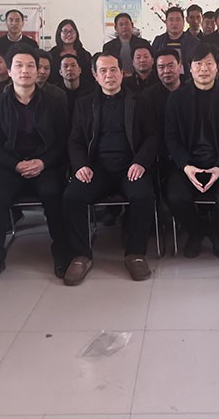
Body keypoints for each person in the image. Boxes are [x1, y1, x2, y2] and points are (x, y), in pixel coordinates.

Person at [0, 43, 70, 287]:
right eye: (19, 65)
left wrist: (43, 162)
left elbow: (63, 140)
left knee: (54, 193)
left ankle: (61, 252)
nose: (25, 70)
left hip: (45, 165)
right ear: (9, 71)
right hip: (11, 166)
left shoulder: (53, 102)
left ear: (38, 70)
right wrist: (16, 164)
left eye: (31, 66)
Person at [64, 52, 158, 285]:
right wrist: (81, 165)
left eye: (113, 69)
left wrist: (140, 162)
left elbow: (152, 137)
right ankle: (81, 255)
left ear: (122, 72)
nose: (109, 75)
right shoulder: (84, 103)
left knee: (143, 195)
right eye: (103, 71)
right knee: (72, 196)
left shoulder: (140, 101)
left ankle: (135, 253)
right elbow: (75, 140)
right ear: (95, 75)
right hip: (96, 168)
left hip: (130, 167)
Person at [164, 43, 219, 259]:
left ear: (218, 67)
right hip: (187, 164)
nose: (204, 69)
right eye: (198, 63)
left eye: (209, 63)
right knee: (175, 197)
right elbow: (171, 138)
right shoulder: (177, 98)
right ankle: (197, 231)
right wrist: (186, 166)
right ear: (189, 68)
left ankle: (217, 232)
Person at [143, 48, 184, 183]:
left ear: (180, 66)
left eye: (171, 66)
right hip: (160, 152)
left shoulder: (191, 91)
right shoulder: (148, 96)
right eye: (161, 67)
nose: (166, 71)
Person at [152, 6, 200, 75]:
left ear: (183, 22)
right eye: (171, 20)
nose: (174, 23)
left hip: (187, 79)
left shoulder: (194, 42)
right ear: (166, 22)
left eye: (178, 19)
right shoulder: (158, 41)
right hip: (163, 78)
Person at [47, 19, 92, 86]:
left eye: (72, 31)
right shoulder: (51, 55)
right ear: (59, 33)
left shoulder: (84, 55)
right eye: (65, 31)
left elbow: (89, 76)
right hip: (55, 90)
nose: (69, 34)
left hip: (83, 90)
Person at [57, 53, 93, 121]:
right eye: (65, 66)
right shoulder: (55, 93)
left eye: (73, 65)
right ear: (60, 72)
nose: (69, 69)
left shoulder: (91, 90)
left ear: (80, 70)